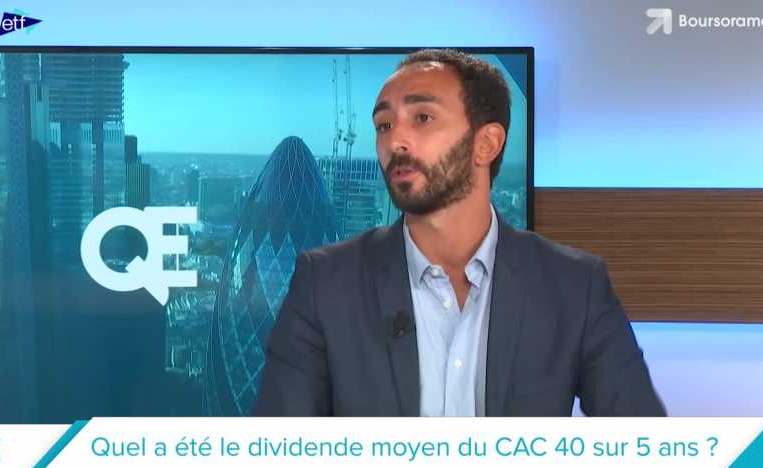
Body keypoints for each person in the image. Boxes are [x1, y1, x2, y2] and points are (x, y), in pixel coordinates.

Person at [254, 49, 665, 416]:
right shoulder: (325, 283)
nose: (395, 141)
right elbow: (275, 452)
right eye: (383, 125)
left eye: (423, 118)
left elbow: (646, 448)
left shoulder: (574, 285)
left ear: (487, 144)